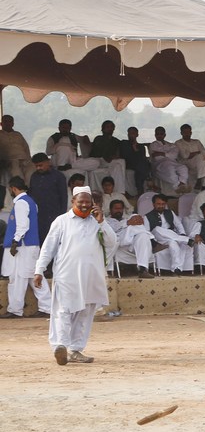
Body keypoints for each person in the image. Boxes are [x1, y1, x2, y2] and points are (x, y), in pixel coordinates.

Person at [34, 185, 117, 365]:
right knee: (63, 311)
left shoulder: (97, 222)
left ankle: (76, 350)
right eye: (81, 202)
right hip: (67, 276)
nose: (85, 205)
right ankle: (60, 346)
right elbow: (48, 248)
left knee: (85, 314)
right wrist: (39, 270)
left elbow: (112, 243)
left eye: (88, 202)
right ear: (73, 202)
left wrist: (102, 222)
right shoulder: (61, 221)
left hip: (91, 277)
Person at [0, 177, 52, 319]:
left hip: (22, 247)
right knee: (33, 277)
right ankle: (47, 307)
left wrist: (15, 242)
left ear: (13, 188)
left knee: (17, 278)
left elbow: (23, 225)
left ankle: (16, 310)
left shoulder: (21, 203)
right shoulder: (31, 202)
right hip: (29, 246)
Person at [145, 193, 193, 275]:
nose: (161, 206)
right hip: (158, 238)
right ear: (153, 204)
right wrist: (154, 243)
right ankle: (186, 240)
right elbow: (147, 232)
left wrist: (182, 233)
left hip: (171, 236)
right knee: (157, 229)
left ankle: (177, 268)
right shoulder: (147, 216)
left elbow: (178, 224)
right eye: (158, 204)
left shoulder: (170, 212)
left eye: (163, 204)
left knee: (173, 243)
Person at [107, 199, 156, 279]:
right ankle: (153, 241)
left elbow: (132, 223)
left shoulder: (126, 219)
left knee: (143, 235)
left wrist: (129, 222)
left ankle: (142, 270)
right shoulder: (107, 220)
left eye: (120, 208)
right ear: (111, 210)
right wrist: (127, 223)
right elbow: (113, 230)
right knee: (133, 226)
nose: (118, 210)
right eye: (116, 208)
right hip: (119, 241)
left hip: (130, 243)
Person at [29, 152, 69, 242]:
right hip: (38, 215)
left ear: (48, 162)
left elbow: (63, 197)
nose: (38, 168)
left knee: (54, 241)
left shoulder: (58, 176)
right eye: (36, 166)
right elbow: (31, 193)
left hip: (54, 215)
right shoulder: (34, 176)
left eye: (40, 165)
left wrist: (61, 217)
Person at [89, 120, 127, 193]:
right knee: (119, 162)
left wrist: (115, 156)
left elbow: (119, 152)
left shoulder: (115, 140)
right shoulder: (98, 138)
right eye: (108, 127)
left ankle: (119, 191)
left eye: (112, 127)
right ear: (103, 129)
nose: (110, 129)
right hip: (98, 161)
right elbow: (98, 152)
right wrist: (109, 157)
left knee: (119, 164)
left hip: (110, 162)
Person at [149, 126, 189, 194]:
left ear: (164, 135)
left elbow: (175, 155)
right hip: (160, 164)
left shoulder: (170, 144)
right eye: (157, 134)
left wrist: (161, 153)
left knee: (183, 168)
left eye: (161, 134)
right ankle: (177, 186)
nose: (159, 136)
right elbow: (157, 157)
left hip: (173, 162)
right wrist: (168, 153)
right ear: (155, 135)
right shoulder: (153, 145)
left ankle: (182, 184)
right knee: (170, 169)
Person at [175, 123, 205, 190]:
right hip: (186, 163)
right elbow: (185, 156)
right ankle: (201, 183)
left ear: (191, 132)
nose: (187, 134)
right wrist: (197, 152)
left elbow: (204, 154)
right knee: (200, 158)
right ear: (181, 133)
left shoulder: (196, 142)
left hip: (199, 165)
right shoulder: (178, 143)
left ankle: (202, 184)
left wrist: (192, 154)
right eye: (185, 132)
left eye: (188, 132)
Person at [119, 126, 152, 194]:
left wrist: (135, 149)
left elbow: (142, 157)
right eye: (129, 133)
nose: (131, 135)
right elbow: (125, 155)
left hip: (138, 164)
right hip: (128, 163)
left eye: (133, 133)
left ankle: (140, 188)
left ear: (137, 135)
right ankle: (148, 180)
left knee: (142, 164)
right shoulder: (124, 143)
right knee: (142, 165)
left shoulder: (141, 147)